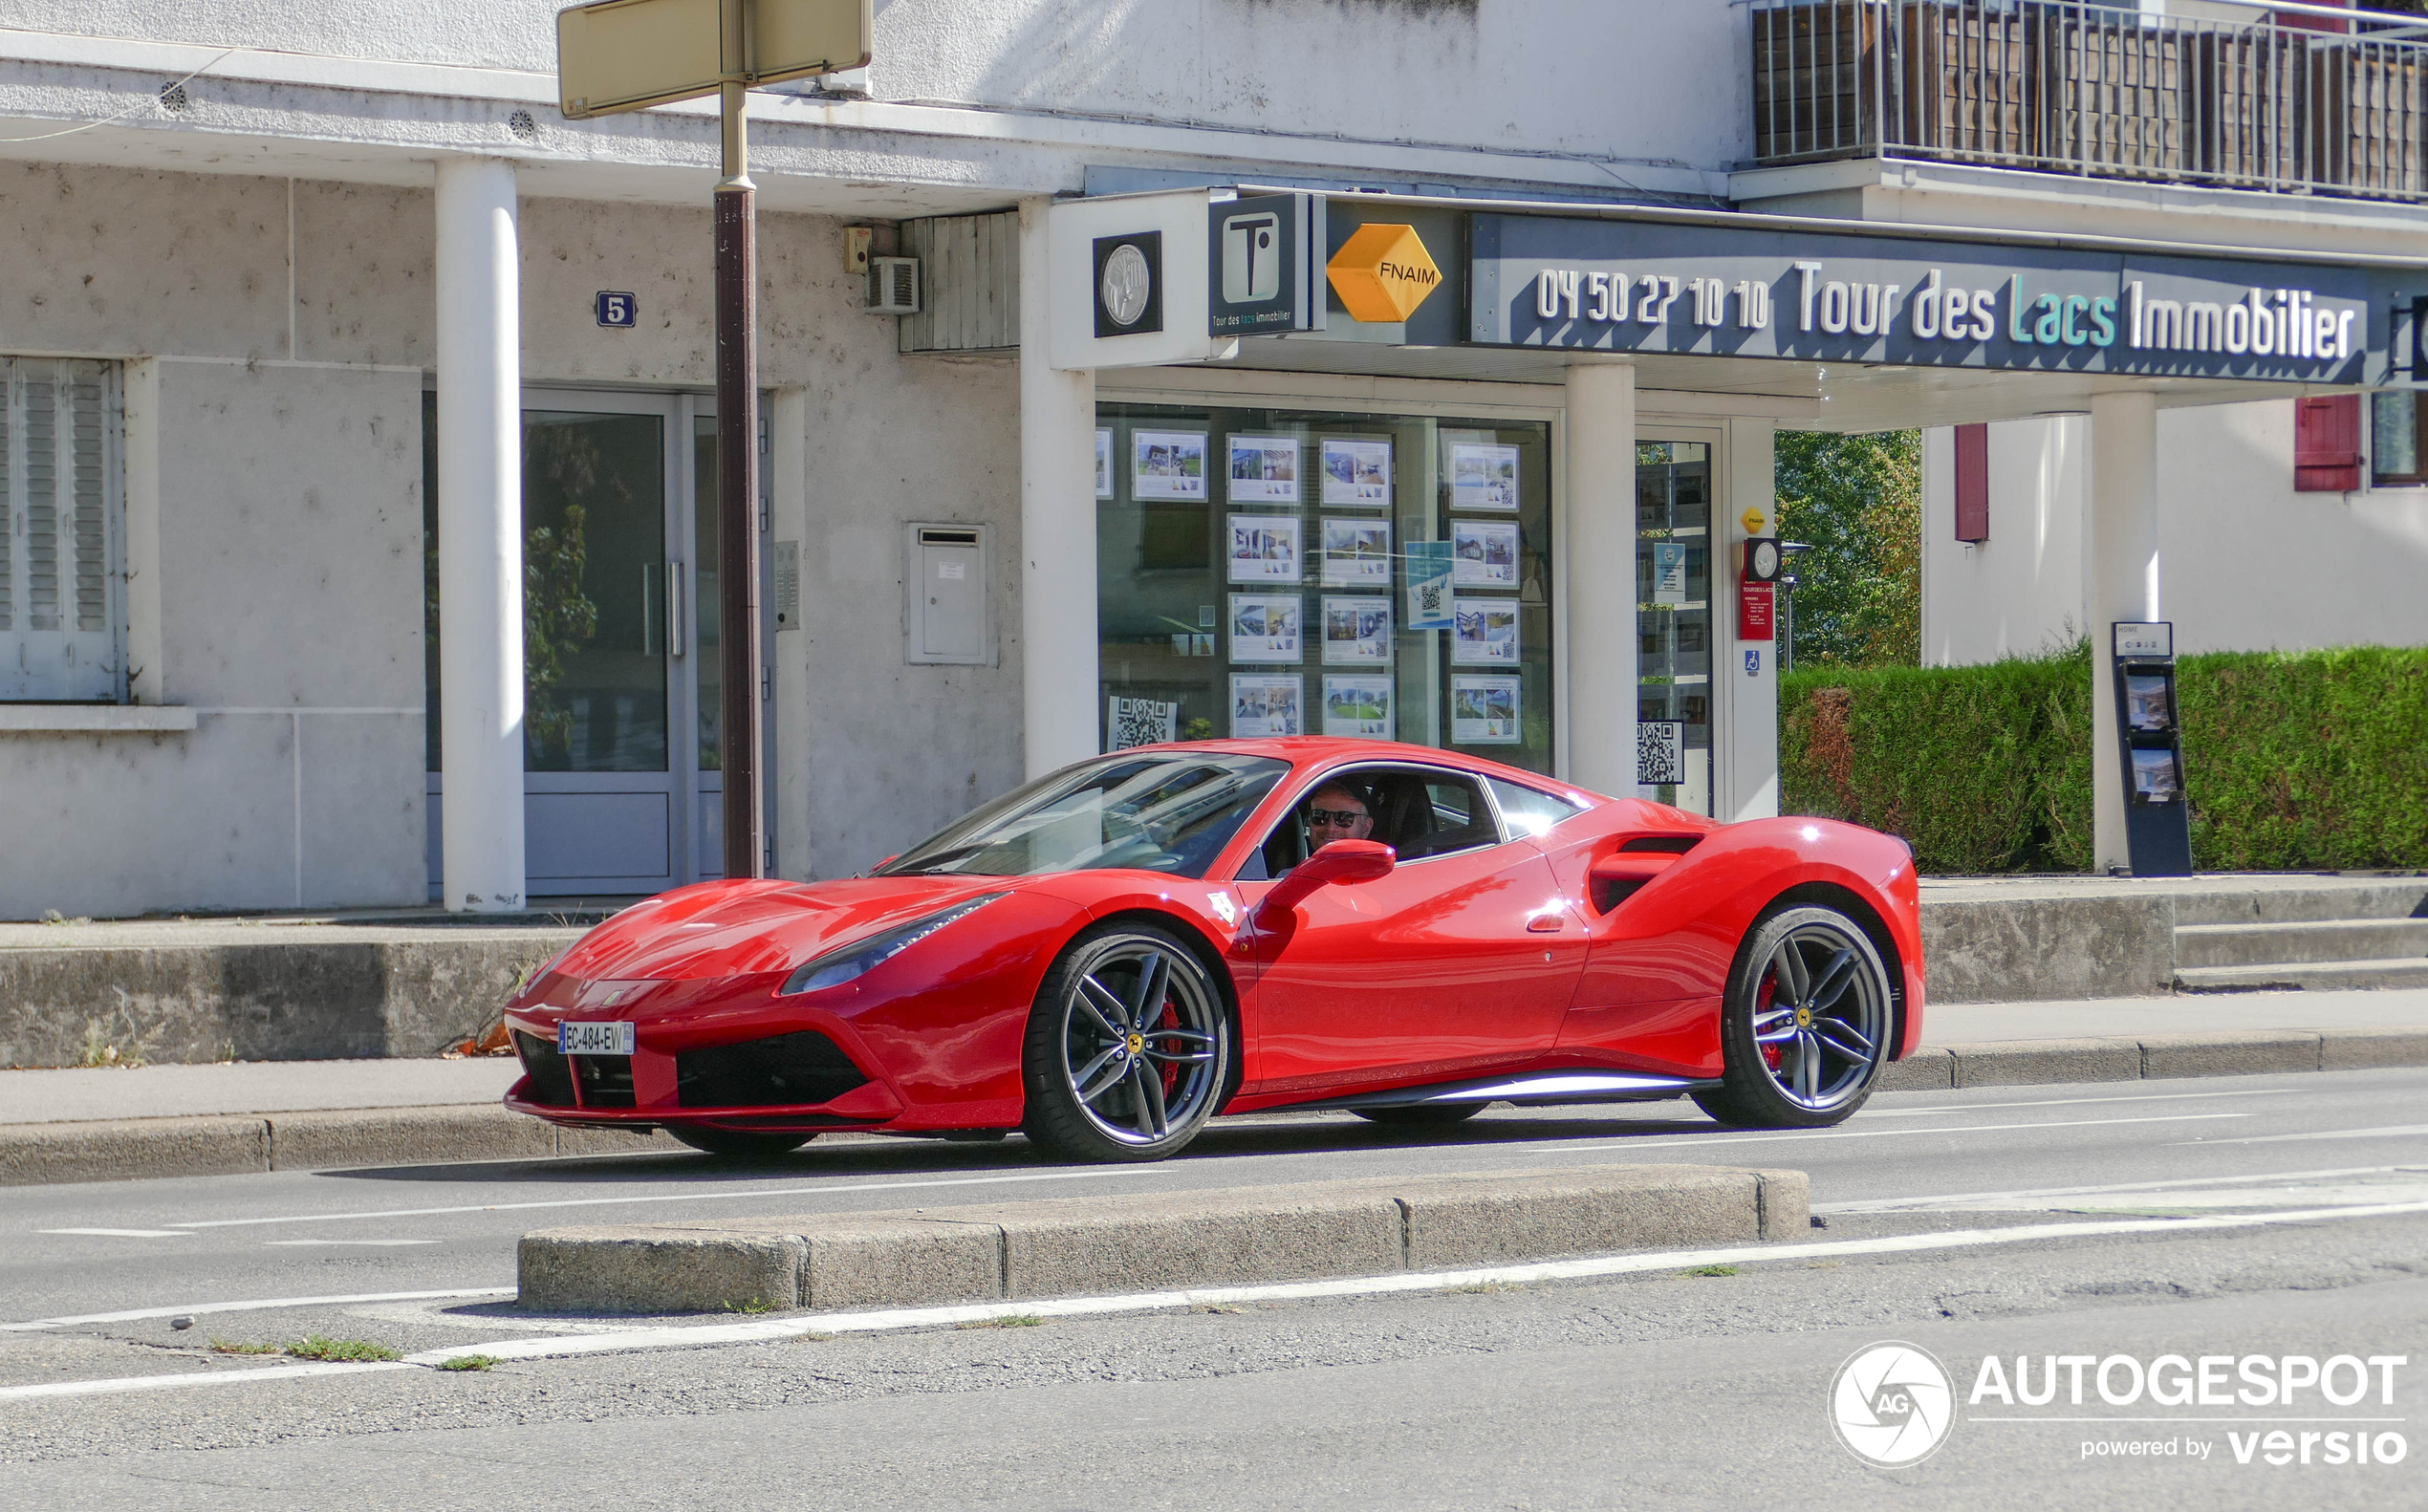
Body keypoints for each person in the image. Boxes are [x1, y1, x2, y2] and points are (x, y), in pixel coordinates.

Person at [1302, 781, 1376, 850]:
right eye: (1320, 816)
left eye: (1344, 818)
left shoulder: (1377, 863)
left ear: (1366, 828)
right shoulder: (1296, 860)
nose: (1331, 828)